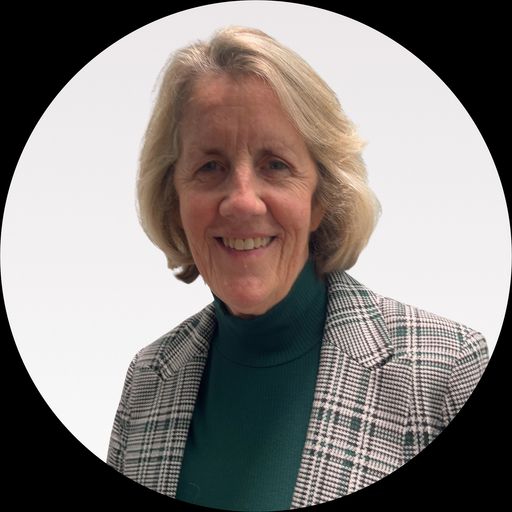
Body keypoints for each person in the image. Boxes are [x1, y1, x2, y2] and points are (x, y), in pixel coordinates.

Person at [107, 26, 488, 510]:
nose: (242, 201)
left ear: (321, 198)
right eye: (210, 167)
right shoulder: (148, 379)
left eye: (275, 165)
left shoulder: (444, 372)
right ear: (174, 199)